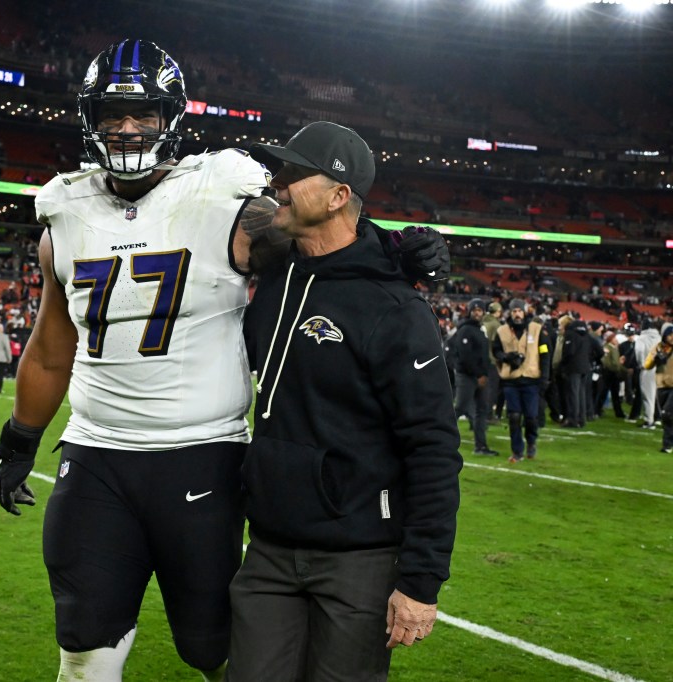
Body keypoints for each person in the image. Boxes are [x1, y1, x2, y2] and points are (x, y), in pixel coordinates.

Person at [0, 40, 449, 682]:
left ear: (170, 116)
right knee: (83, 642)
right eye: (112, 114)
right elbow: (50, 344)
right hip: (95, 454)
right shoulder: (63, 214)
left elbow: (319, 232)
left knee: (214, 647)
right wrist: (22, 436)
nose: (127, 128)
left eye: (142, 113)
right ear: (89, 119)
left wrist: (390, 251)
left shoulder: (226, 199)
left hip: (200, 454)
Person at [223, 122, 462, 681]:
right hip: (268, 551)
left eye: (294, 174)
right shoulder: (279, 273)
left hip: (360, 559)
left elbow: (432, 448)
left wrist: (420, 582)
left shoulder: (396, 309)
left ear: (337, 196)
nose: (277, 184)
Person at [492, 299, 551, 462]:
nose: (517, 314)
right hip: (511, 380)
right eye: (514, 311)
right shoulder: (502, 330)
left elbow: (545, 353)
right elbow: (495, 350)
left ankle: (531, 442)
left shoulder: (537, 329)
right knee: (514, 417)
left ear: (524, 311)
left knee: (531, 417)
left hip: (531, 379)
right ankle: (517, 450)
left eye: (519, 310)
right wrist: (506, 357)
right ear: (509, 313)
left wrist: (545, 376)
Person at [451, 298, 498, 456]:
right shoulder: (465, 330)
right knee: (460, 408)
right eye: (475, 310)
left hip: (481, 376)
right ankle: (436, 438)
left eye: (480, 310)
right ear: (470, 311)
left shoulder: (480, 329)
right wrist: (479, 374)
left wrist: (484, 374)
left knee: (481, 410)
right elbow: (465, 356)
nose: (477, 313)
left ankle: (481, 446)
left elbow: (482, 356)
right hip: (467, 376)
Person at [643, 323, 673, 453]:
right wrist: (655, 359)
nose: (672, 337)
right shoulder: (659, 347)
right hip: (661, 385)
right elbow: (647, 365)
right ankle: (668, 444)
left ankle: (667, 445)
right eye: (670, 335)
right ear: (665, 336)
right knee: (666, 415)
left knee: (667, 413)